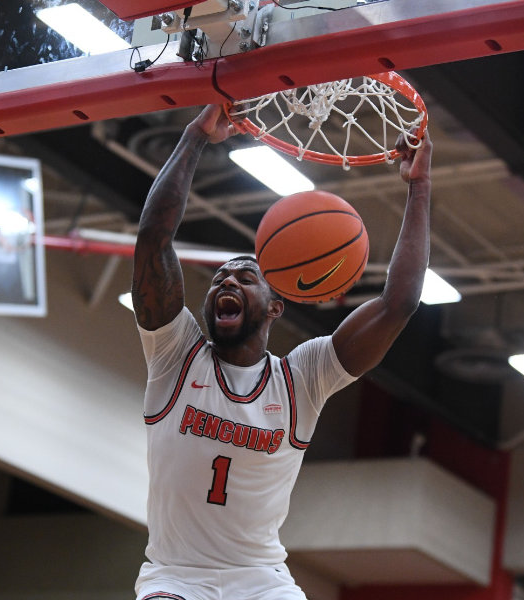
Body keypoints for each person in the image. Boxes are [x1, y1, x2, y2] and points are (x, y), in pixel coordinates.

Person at [130, 104, 433, 600]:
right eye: (220, 278)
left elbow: (398, 304)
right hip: (176, 574)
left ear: (275, 307)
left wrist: (419, 188)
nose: (226, 280)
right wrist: (195, 136)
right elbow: (153, 240)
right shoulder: (175, 353)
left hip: (260, 580)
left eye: (245, 278)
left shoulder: (303, 379)